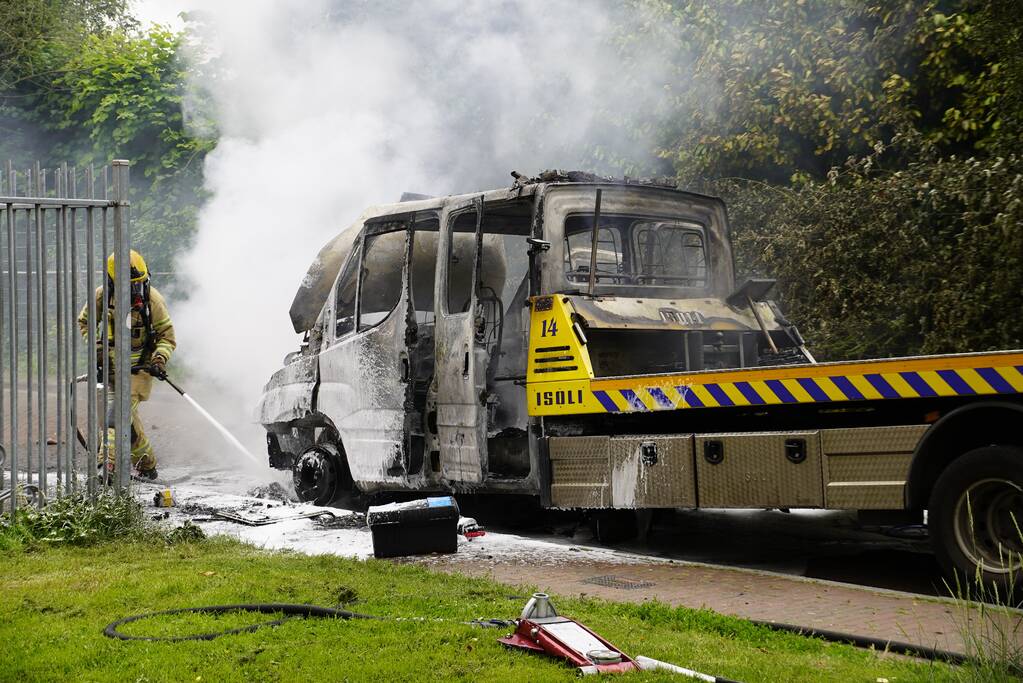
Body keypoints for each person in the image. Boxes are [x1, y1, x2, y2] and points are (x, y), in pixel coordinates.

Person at [77, 249, 175, 480]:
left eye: (138, 284)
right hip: (110, 370)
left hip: (139, 371)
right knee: (126, 421)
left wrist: (159, 359)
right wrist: (97, 347)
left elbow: (167, 337)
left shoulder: (153, 301)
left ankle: (106, 466)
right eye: (129, 287)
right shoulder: (102, 296)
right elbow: (85, 322)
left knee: (115, 414)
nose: (135, 291)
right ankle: (147, 465)